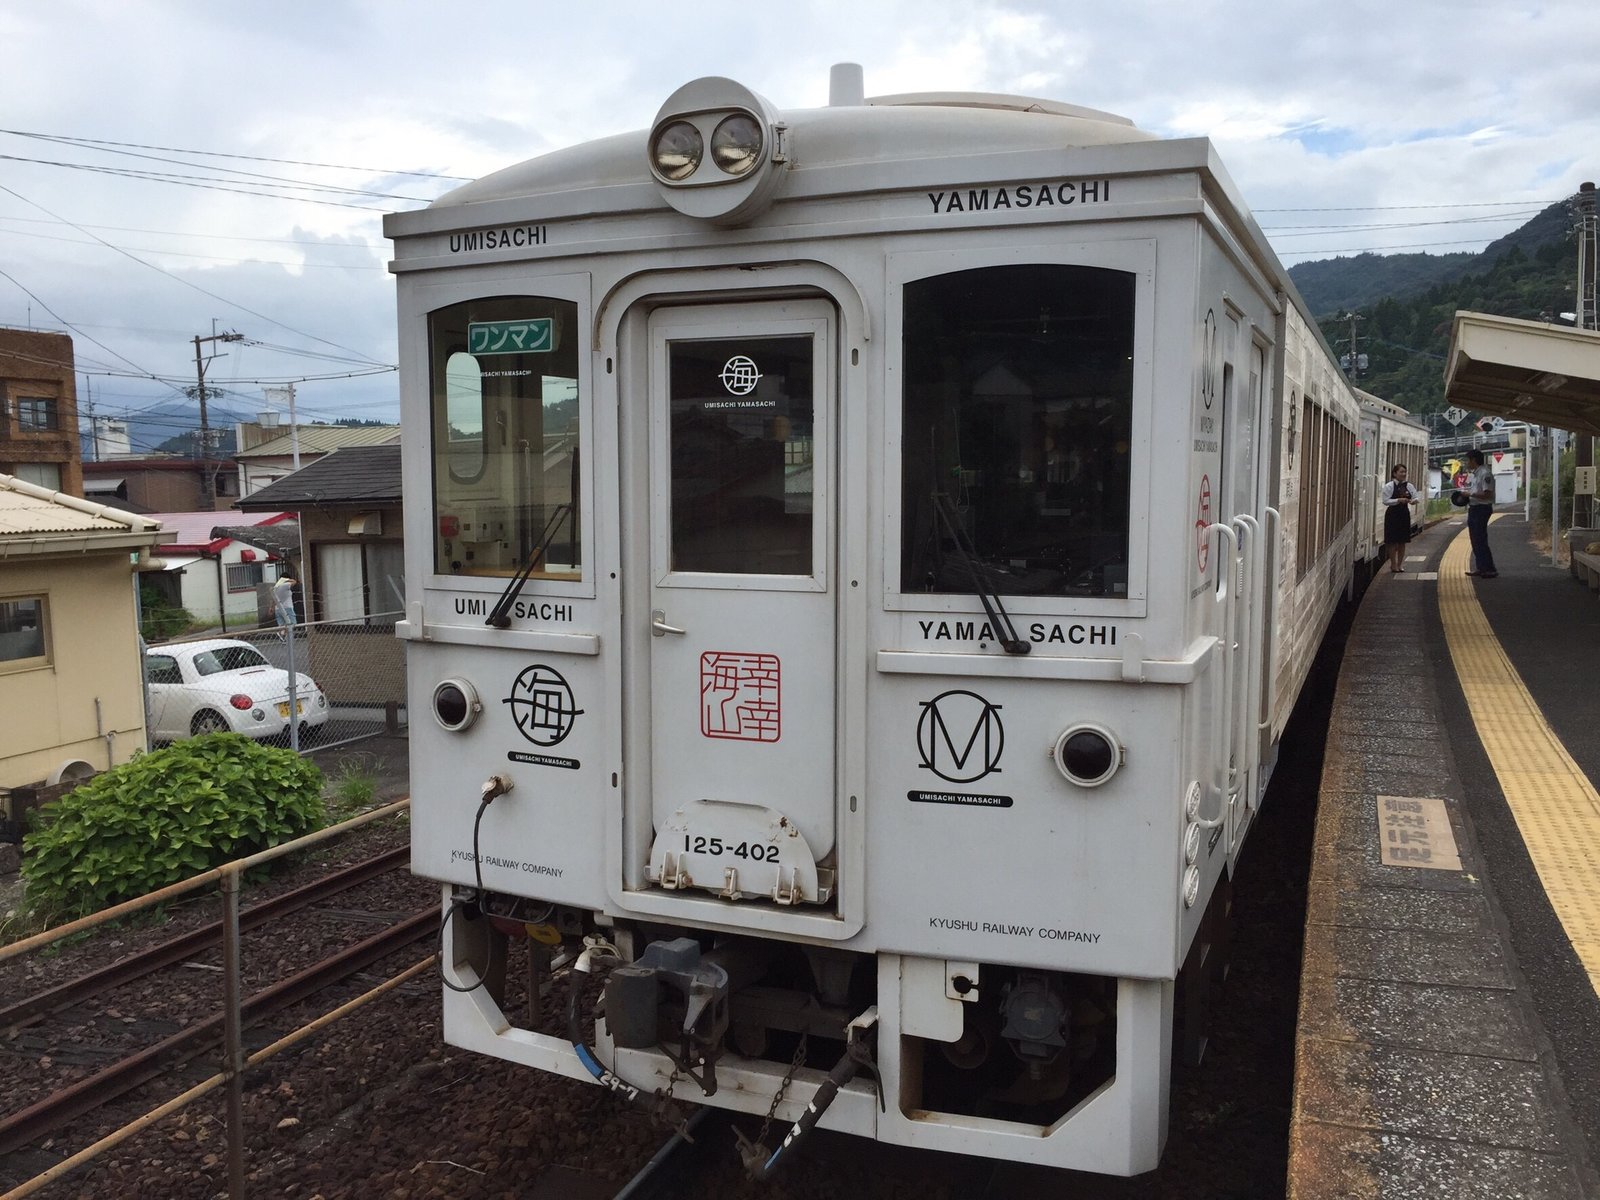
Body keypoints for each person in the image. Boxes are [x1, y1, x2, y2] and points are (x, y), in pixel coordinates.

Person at [1464, 449, 1498, 578]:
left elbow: (1487, 494)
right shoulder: (1476, 474)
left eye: (1468, 460)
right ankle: (1481, 567)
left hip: (1481, 509)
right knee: (1475, 539)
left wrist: (1470, 494)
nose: (1466, 463)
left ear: (1473, 460)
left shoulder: (1485, 474)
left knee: (1480, 539)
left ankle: (1489, 569)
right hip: (1474, 508)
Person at [1381, 464, 1419, 574]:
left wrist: (1414, 501)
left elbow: (1416, 496)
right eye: (1401, 472)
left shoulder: (1409, 486)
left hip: (1404, 514)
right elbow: (1385, 501)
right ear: (1394, 473)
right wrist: (1398, 500)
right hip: (1392, 514)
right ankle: (1393, 564)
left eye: (1405, 472)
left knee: (1403, 541)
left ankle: (1400, 564)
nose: (1403, 474)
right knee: (1392, 541)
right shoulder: (1389, 486)